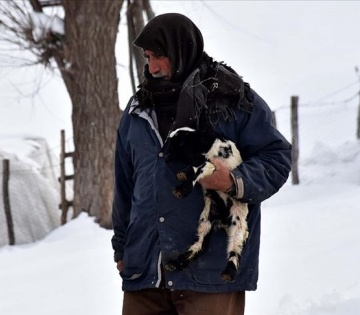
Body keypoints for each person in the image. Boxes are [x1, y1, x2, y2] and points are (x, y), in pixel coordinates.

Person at [111, 13, 292, 315]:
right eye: (147, 56)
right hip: (145, 273)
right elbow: (125, 185)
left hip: (209, 274)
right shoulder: (137, 110)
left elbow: (276, 158)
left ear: (182, 50)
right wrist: (122, 248)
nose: (152, 67)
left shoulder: (233, 99)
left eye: (160, 56)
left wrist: (233, 181)